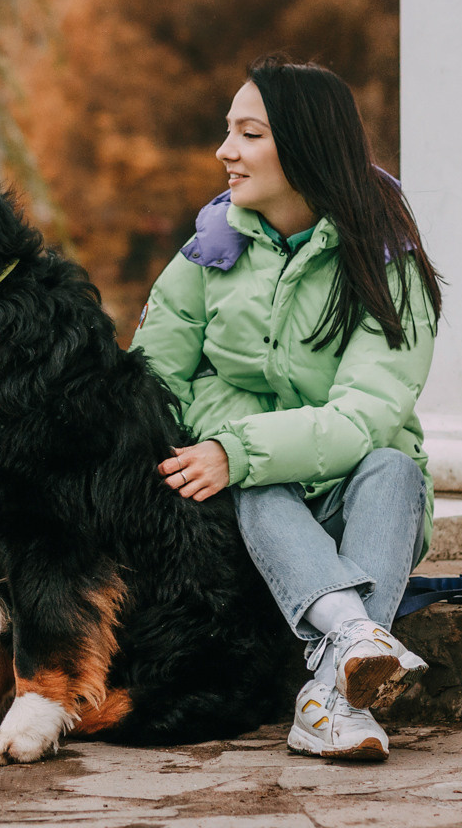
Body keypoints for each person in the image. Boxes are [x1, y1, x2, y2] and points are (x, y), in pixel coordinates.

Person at [130, 56, 442, 762]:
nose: (225, 152)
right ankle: (347, 665)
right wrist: (241, 448)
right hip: (254, 507)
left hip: (357, 501)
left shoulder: (388, 263)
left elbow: (362, 418)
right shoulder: (210, 248)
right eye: (227, 132)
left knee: (393, 466)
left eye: (248, 134)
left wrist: (236, 439)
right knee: (255, 476)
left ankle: (337, 667)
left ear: (302, 145)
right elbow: (152, 379)